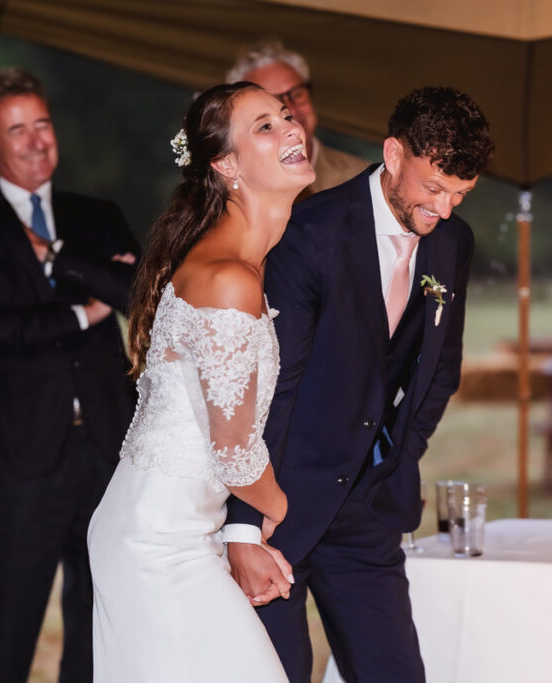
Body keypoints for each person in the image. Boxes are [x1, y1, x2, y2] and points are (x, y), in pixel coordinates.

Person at [225, 86, 494, 682]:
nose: (445, 210)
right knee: (280, 673)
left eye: (460, 194)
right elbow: (274, 384)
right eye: (434, 188)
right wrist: (244, 522)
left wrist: (397, 457)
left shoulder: (452, 243)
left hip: (369, 509)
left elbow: (439, 369)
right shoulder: (310, 231)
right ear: (394, 155)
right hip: (281, 506)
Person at [86, 81, 314, 681]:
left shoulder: (238, 265)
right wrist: (277, 507)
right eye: (266, 125)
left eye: (287, 116)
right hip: (156, 545)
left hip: (182, 531)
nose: (292, 128)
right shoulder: (228, 277)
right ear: (227, 164)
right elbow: (236, 451)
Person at [0, 68, 139, 683]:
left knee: (99, 620)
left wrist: (57, 257)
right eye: (15, 129)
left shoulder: (95, 215)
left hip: (108, 447)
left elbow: (138, 293)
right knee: (11, 626)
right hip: (22, 459)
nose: (34, 141)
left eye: (42, 124)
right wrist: (82, 308)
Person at [227, 40, 368, 200]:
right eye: (272, 102)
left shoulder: (361, 177)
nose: (291, 111)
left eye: (297, 94)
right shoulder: (232, 193)